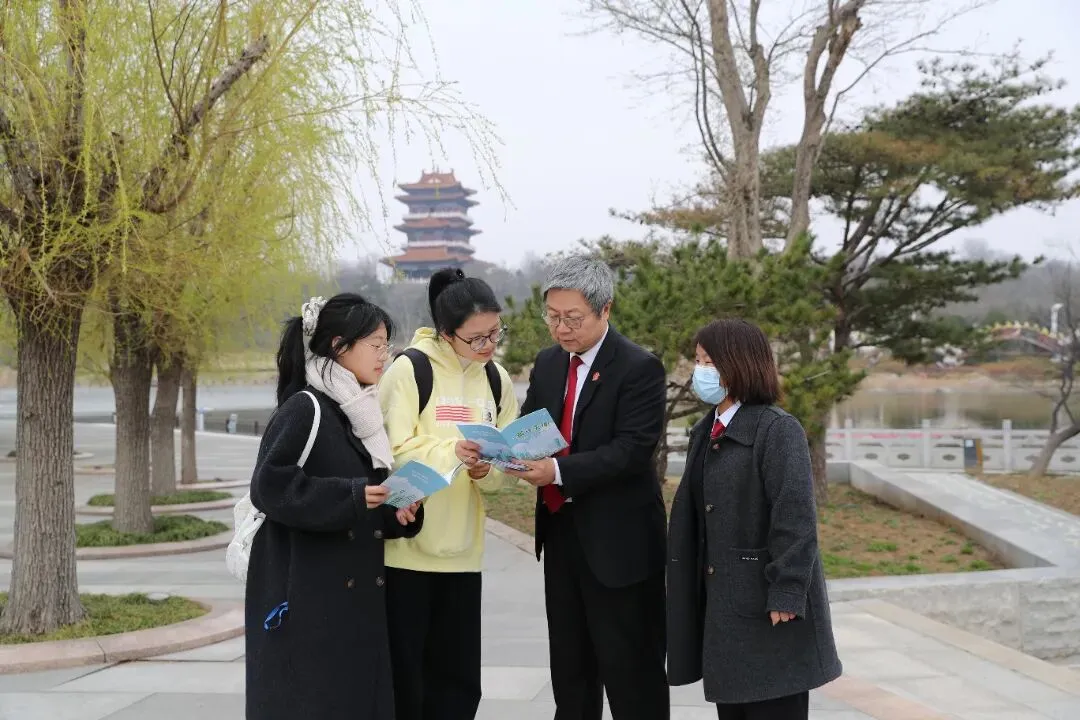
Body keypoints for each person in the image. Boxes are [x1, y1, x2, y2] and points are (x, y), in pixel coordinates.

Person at [245, 293, 423, 720]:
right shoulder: (305, 407)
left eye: (386, 345)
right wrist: (353, 495)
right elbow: (268, 486)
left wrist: (398, 512)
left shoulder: (360, 413)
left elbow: (366, 491)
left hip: (355, 599)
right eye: (376, 344)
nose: (385, 355)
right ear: (340, 346)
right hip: (309, 596)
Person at [507, 256, 669, 720]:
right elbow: (533, 426)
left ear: (605, 309)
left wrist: (556, 472)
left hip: (620, 546)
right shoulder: (548, 363)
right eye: (552, 317)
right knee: (571, 672)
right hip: (562, 535)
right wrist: (499, 452)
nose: (561, 329)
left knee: (632, 677)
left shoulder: (639, 367)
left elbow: (631, 451)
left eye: (572, 318)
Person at [666, 318, 842, 720]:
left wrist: (787, 592)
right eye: (697, 361)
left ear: (738, 364)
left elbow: (795, 518)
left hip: (767, 607)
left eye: (709, 361)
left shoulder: (778, 430)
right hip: (723, 605)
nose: (700, 371)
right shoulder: (705, 430)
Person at [378, 268, 520, 720]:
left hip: (464, 554)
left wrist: (485, 470)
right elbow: (390, 451)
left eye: (495, 333)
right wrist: (450, 451)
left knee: (458, 685)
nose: (489, 345)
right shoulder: (410, 371)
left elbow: (507, 468)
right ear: (445, 333)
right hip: (406, 554)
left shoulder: (496, 380)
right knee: (407, 682)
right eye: (476, 338)